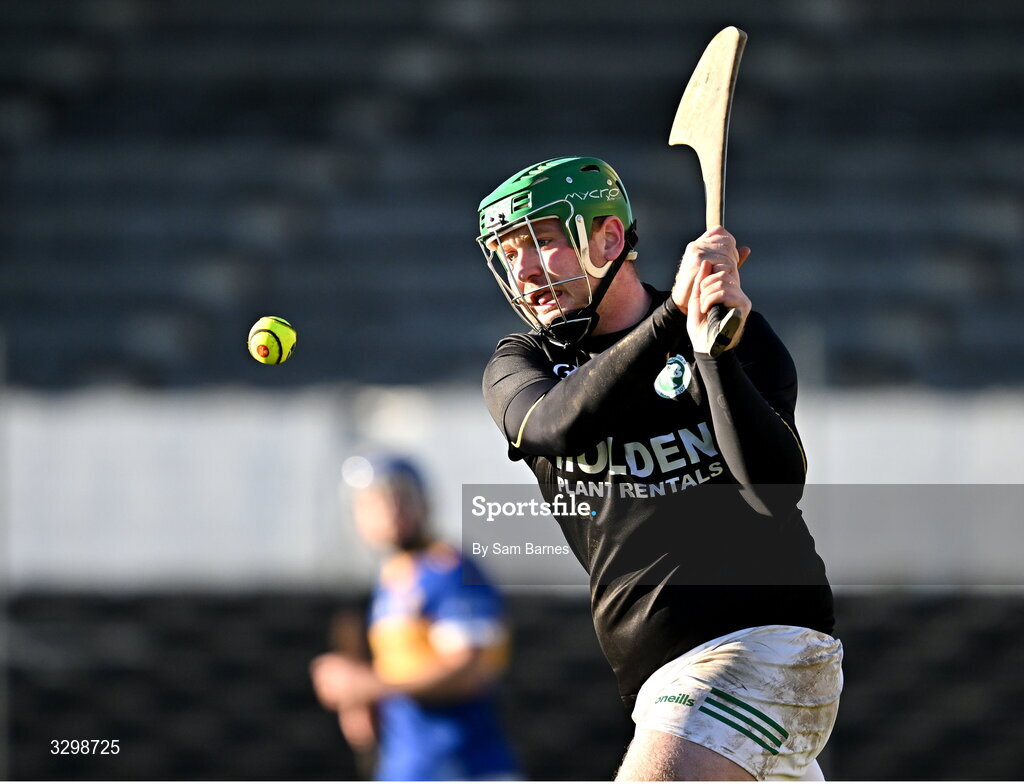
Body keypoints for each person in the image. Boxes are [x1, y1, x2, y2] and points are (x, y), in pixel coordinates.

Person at [477, 157, 842, 781]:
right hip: (663, 682)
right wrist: (673, 317)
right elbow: (554, 427)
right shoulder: (521, 363)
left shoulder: (741, 336)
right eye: (509, 254)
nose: (524, 270)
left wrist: (711, 354)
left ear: (610, 239)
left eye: (542, 243)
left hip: (759, 650)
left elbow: (774, 490)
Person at [309, 454, 519, 781]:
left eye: (399, 496)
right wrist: (360, 699)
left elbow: (469, 670)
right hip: (406, 767)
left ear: (425, 502)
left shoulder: (450, 570)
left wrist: (368, 685)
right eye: (374, 501)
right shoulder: (390, 580)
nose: (390, 510)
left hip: (464, 766)